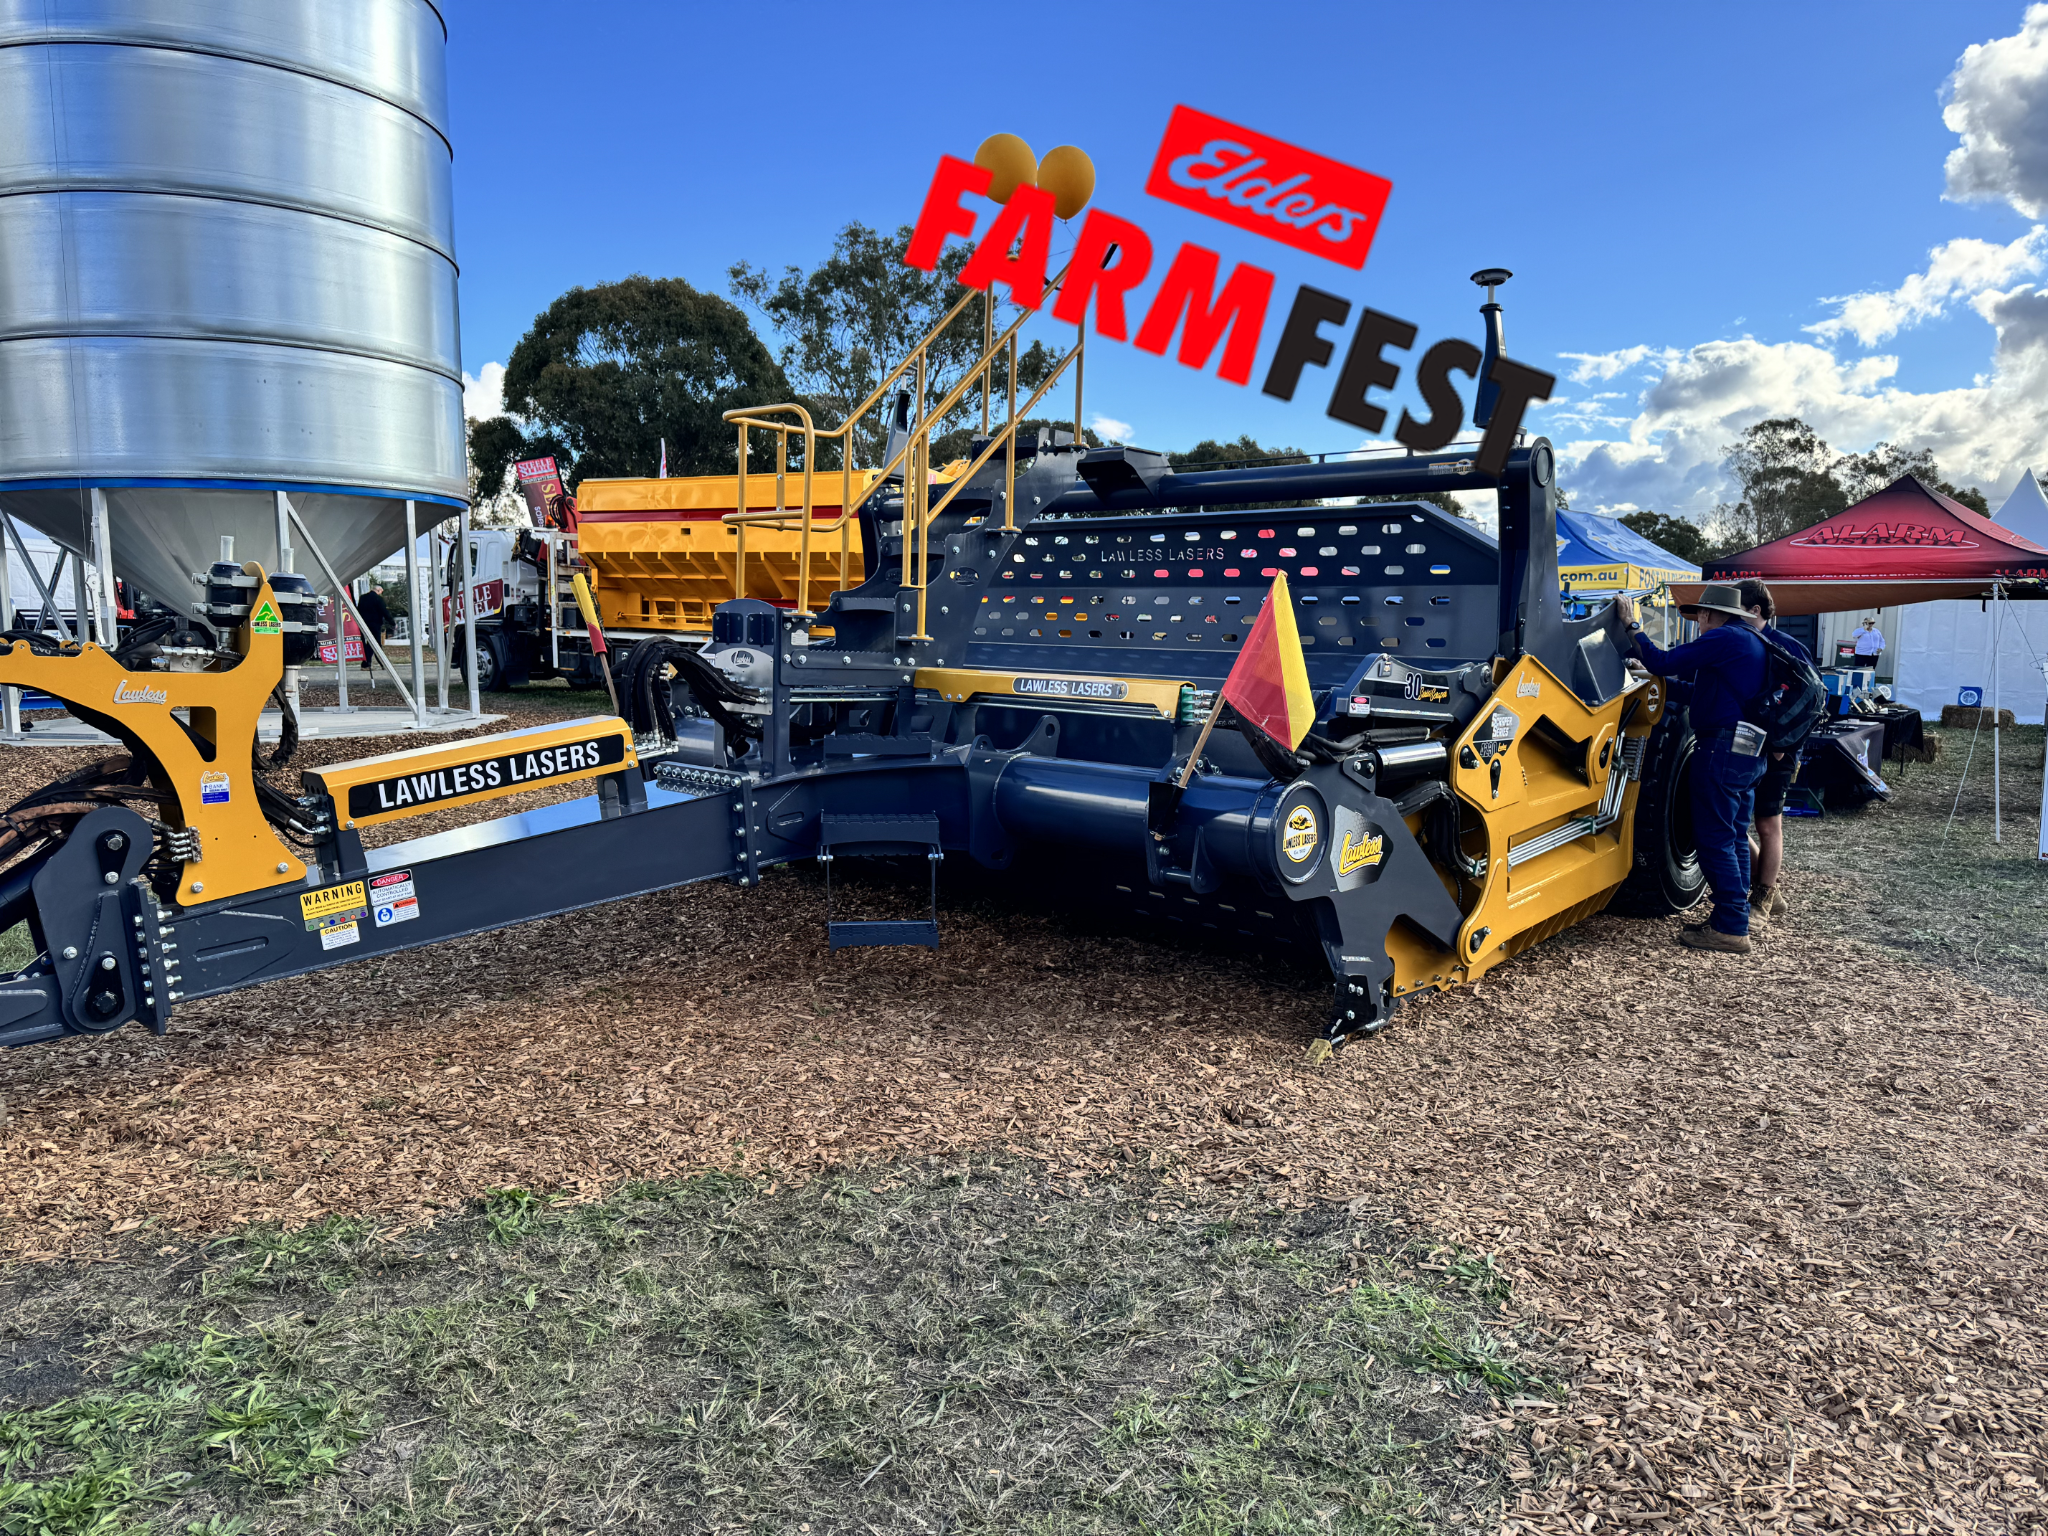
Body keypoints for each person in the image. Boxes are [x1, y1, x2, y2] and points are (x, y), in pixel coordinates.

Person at [1624, 583, 1769, 953]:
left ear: (1706, 614)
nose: (1698, 623)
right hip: (1748, 748)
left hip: (1721, 748)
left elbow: (1663, 660)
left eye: (1699, 616)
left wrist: (1632, 626)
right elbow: (1697, 694)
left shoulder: (1723, 638)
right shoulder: (1751, 641)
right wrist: (1652, 678)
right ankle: (1735, 917)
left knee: (1715, 837)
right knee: (1734, 835)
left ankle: (1730, 927)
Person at [1737, 578, 1808, 923]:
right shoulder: (1740, 642)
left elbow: (1812, 701)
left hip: (1778, 749)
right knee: (1733, 820)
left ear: (1755, 610)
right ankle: (1768, 886)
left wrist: (1782, 745)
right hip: (1745, 745)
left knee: (1767, 824)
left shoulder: (1787, 647)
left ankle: (1762, 898)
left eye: (1735, 609)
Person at [354, 583, 390, 673]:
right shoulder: (378, 599)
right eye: (381, 592)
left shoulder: (362, 598)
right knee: (375, 643)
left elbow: (359, 609)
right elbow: (384, 611)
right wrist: (392, 622)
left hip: (363, 623)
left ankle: (367, 663)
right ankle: (381, 663)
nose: (381, 593)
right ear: (378, 590)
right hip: (375, 624)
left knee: (369, 643)